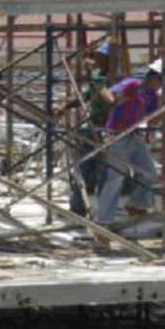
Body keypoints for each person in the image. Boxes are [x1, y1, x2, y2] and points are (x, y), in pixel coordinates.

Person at [95, 60, 165, 226]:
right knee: (116, 178)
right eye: (160, 82)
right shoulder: (133, 85)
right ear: (155, 78)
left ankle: (137, 204)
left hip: (133, 136)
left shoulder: (152, 96)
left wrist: (164, 109)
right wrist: (113, 99)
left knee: (149, 172)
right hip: (117, 136)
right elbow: (106, 92)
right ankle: (104, 220)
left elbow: (152, 119)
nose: (159, 87)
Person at [55, 40, 113, 216]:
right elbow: (85, 96)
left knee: (107, 172)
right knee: (84, 168)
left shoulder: (115, 78)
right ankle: (79, 207)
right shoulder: (96, 76)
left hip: (110, 130)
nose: (97, 61)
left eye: (101, 58)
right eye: (97, 57)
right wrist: (65, 107)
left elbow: (110, 100)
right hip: (93, 126)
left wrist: (97, 84)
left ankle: (104, 210)